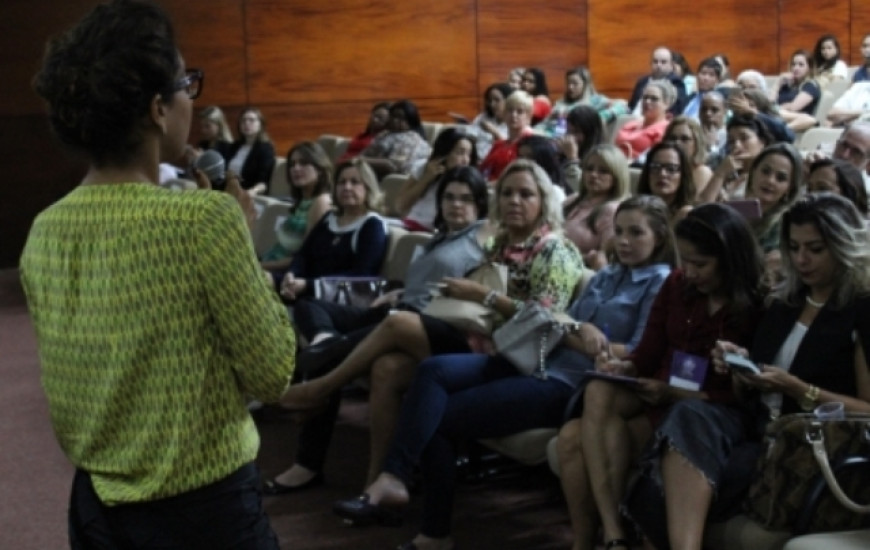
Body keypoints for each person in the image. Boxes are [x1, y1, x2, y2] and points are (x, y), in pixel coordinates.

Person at [22, 1, 296, 548]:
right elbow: (273, 372)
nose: (191, 100)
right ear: (157, 108)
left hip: (95, 507)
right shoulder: (203, 220)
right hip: (206, 513)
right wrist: (240, 243)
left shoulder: (44, 231)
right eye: (186, 84)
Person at [330, 161, 586, 550]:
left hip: (532, 363)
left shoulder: (557, 250)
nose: (515, 201)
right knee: (416, 371)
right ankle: (397, 485)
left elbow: (545, 322)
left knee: (431, 404)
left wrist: (481, 295)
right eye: (508, 193)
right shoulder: (499, 244)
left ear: (544, 201)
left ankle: (419, 512)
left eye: (526, 194)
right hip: (493, 352)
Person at [624, 192, 870, 550]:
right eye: (794, 247)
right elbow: (750, 392)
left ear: (842, 246)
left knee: (662, 476)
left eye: (816, 249)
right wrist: (740, 367)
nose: (801, 260)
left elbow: (867, 411)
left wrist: (800, 390)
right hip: (757, 426)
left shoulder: (860, 309)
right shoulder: (786, 302)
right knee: (688, 415)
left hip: (807, 442)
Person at [264, 167, 491, 494]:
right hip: (400, 310)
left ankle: (314, 394)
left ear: (481, 205)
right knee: (313, 309)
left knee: (342, 353)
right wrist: (399, 289)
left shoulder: (483, 233)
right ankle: (347, 474)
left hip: (434, 325)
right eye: (450, 198)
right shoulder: (440, 237)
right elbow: (427, 281)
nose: (457, 205)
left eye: (467, 199)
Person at [558, 203, 765, 550]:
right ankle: (612, 535)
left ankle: (595, 542)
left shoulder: (754, 304)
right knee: (599, 388)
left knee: (572, 438)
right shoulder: (677, 284)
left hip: (706, 411)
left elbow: (741, 398)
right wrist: (627, 368)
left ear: (729, 259)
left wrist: (671, 393)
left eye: (700, 264)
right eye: (685, 261)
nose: (690, 272)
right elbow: (648, 351)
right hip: (660, 394)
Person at [276, 159, 388, 298]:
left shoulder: (372, 224)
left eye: (355, 182)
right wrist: (291, 274)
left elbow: (361, 275)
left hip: (334, 296)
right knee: (262, 279)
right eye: (342, 182)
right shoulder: (330, 217)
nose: (347, 187)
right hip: (302, 284)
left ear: (368, 187)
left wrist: (308, 285)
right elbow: (303, 254)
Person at [260, 142, 334, 272]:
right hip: (266, 264)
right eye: (292, 164)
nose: (296, 168)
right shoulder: (303, 200)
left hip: (281, 275)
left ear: (320, 169)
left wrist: (258, 267)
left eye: (303, 163)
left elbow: (304, 259)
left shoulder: (321, 202)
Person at [743, 143, 804, 284]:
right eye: (765, 171)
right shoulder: (737, 209)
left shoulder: (786, 223)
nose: (770, 181)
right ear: (753, 173)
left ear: (789, 188)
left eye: (781, 178)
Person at [563, 144, 630, 269]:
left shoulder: (612, 210)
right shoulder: (573, 199)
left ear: (617, 176)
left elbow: (604, 259)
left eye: (603, 171)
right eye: (589, 169)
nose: (594, 175)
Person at [396, 128, 478, 232]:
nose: (466, 160)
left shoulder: (470, 181)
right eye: (460, 153)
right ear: (445, 153)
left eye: (468, 155)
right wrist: (426, 179)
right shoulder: (423, 168)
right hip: (410, 225)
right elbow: (400, 206)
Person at [699, 114, 773, 203]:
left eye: (744, 138)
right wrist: (720, 173)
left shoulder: (768, 175)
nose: (736, 145)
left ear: (762, 142)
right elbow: (702, 208)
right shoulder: (727, 171)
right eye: (731, 141)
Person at [536, 66, 629, 137]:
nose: (570, 87)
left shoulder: (595, 100)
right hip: (546, 134)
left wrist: (601, 117)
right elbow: (545, 123)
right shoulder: (561, 102)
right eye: (568, 83)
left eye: (575, 83)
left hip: (562, 140)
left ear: (585, 85)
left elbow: (623, 105)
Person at [360, 99, 432, 177]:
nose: (394, 120)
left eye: (400, 117)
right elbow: (365, 153)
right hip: (368, 172)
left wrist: (361, 161)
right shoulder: (385, 134)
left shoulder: (410, 139)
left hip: (392, 180)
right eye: (393, 116)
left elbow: (393, 165)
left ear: (410, 121)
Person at [479, 90, 536, 181]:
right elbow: (483, 170)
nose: (513, 115)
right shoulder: (498, 145)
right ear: (504, 114)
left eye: (520, 112)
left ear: (528, 117)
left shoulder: (531, 145)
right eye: (510, 110)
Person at [616, 79, 676, 160]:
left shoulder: (665, 129)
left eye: (654, 99)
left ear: (666, 104)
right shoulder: (631, 124)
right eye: (645, 97)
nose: (647, 101)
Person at [636, 141, 695, 223]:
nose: (662, 174)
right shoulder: (635, 211)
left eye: (671, 168)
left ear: (683, 174)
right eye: (655, 167)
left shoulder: (686, 214)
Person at [225, 107, 276, 193]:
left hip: (248, 193)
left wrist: (251, 192)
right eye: (243, 120)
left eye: (251, 120)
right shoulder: (235, 146)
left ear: (260, 125)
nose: (247, 123)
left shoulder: (266, 149)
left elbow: (263, 183)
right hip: (228, 190)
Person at [557, 105, 607, 192]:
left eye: (576, 132)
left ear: (590, 134)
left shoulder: (603, 157)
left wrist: (572, 159)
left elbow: (582, 190)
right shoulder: (564, 152)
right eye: (568, 131)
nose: (571, 137)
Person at [771, 49, 822, 132]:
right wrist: (778, 83)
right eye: (793, 64)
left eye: (801, 65)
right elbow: (770, 102)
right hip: (777, 117)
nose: (795, 68)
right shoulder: (787, 84)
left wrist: (777, 108)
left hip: (797, 122)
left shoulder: (811, 86)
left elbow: (794, 108)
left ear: (810, 68)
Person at [628, 47, 687, 116]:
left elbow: (675, 111)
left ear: (671, 65)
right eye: (655, 62)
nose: (659, 65)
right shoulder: (642, 81)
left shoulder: (676, 83)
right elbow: (631, 106)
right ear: (651, 64)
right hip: (632, 118)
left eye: (663, 62)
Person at [664, 116, 712, 194]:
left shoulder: (702, 172)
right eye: (672, 138)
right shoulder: (661, 170)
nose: (677, 143)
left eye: (684, 139)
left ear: (697, 143)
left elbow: (696, 205)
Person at [465, 82, 513, 158]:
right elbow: (469, 137)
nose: (492, 104)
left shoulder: (513, 121)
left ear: (508, 100)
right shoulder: (483, 117)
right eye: (490, 100)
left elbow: (510, 149)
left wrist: (494, 132)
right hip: (476, 160)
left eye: (497, 100)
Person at [699, 91, 727, 156]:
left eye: (714, 110)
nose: (708, 113)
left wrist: (712, 146)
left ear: (725, 112)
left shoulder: (730, 137)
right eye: (704, 109)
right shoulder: (692, 135)